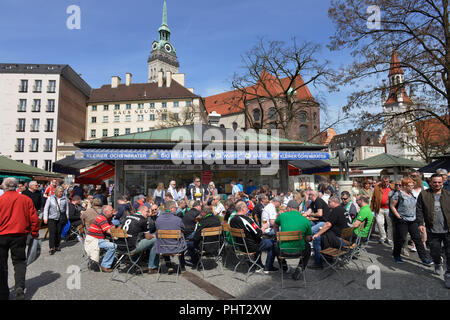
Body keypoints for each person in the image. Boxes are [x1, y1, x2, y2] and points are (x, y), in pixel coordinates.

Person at [0, 178, 40, 300]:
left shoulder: (0, 200)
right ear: (17, 186)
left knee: (1, 265)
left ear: (4, 186)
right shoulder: (25, 199)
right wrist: (34, 233)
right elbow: (34, 218)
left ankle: (3, 293)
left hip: (2, 235)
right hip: (19, 235)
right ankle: (19, 288)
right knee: (19, 262)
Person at [416, 173, 450, 287]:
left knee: (449, 253)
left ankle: (448, 275)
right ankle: (437, 262)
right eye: (434, 182)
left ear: (443, 182)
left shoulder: (448, 194)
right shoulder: (424, 194)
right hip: (432, 229)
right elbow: (419, 209)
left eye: (439, 182)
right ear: (430, 182)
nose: (437, 184)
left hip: (448, 230)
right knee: (435, 252)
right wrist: (420, 223)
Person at [390, 177, 433, 265]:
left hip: (412, 220)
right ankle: (396, 255)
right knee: (401, 238)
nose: (412, 187)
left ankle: (424, 258)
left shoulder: (412, 194)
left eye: (412, 185)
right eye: (410, 186)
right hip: (402, 220)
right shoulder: (398, 194)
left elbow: (414, 206)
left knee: (417, 239)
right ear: (405, 186)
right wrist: (398, 216)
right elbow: (392, 205)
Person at [229, 200, 278, 273]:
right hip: (251, 246)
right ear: (242, 209)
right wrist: (264, 227)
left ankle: (258, 265)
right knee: (273, 243)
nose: (248, 209)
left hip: (241, 246)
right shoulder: (246, 220)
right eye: (246, 207)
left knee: (260, 240)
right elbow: (259, 233)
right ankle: (268, 267)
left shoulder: (232, 220)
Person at [274, 200, 312, 280]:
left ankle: (284, 268)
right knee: (308, 246)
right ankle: (300, 267)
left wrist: (277, 235)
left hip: (283, 251)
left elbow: (275, 224)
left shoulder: (283, 215)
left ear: (290, 208)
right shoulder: (306, 220)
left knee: (276, 245)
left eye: (287, 208)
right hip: (299, 251)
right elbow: (308, 239)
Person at [310, 196, 348, 269]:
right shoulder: (343, 209)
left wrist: (317, 234)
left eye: (329, 202)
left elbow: (328, 225)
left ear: (334, 202)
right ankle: (326, 258)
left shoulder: (336, 210)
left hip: (340, 240)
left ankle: (318, 263)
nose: (328, 204)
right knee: (323, 235)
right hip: (346, 238)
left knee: (317, 238)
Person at [123, 206, 159, 274]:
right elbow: (148, 237)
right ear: (142, 211)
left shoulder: (128, 217)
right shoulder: (143, 220)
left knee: (136, 239)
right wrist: (153, 236)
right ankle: (152, 267)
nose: (148, 214)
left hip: (122, 246)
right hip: (132, 248)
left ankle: (134, 264)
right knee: (156, 240)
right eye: (147, 212)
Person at [155, 200, 187, 274]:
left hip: (163, 247)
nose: (176, 209)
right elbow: (183, 229)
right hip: (177, 247)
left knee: (164, 240)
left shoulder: (158, 219)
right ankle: (182, 266)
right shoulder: (178, 220)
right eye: (175, 208)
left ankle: (169, 265)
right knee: (181, 237)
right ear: (172, 208)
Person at [86, 205, 116, 272]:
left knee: (115, 244)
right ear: (106, 212)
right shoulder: (102, 218)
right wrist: (120, 233)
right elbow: (109, 231)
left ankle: (112, 260)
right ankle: (105, 266)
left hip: (98, 239)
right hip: (94, 240)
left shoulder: (106, 218)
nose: (113, 212)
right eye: (111, 211)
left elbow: (112, 227)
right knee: (113, 246)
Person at [43, 186, 69, 255]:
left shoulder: (65, 199)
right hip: (51, 217)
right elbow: (46, 209)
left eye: (62, 191)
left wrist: (67, 217)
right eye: (60, 191)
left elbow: (67, 209)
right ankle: (51, 247)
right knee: (52, 232)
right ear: (56, 191)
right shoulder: (50, 198)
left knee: (58, 232)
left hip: (61, 218)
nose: (61, 193)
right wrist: (45, 218)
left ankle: (57, 245)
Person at [371, 175, 394, 245]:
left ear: (389, 181)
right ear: (381, 181)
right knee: (379, 223)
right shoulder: (377, 187)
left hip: (389, 209)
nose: (385, 183)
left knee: (390, 224)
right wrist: (371, 209)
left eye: (386, 181)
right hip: (379, 208)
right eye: (384, 181)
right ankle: (383, 237)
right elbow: (373, 198)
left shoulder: (392, 187)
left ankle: (390, 238)